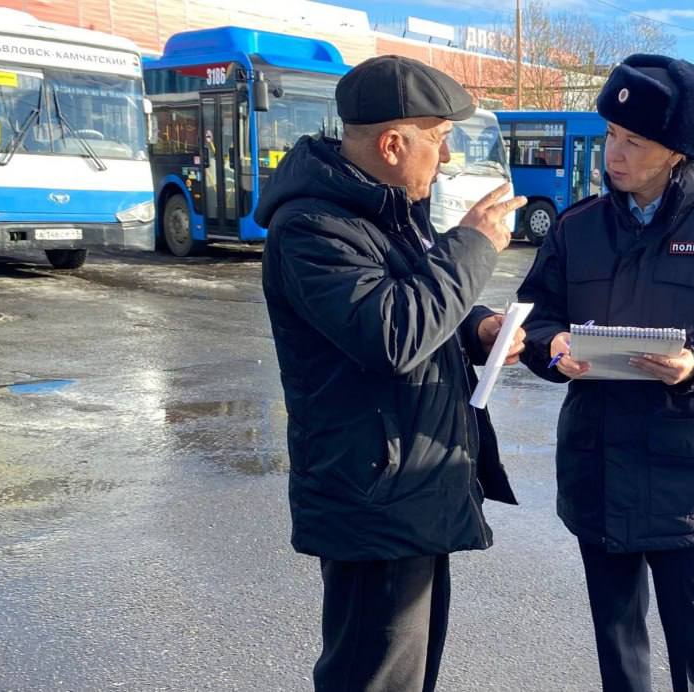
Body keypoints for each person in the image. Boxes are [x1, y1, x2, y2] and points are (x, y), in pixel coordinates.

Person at [516, 54, 694, 692]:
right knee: (618, 646)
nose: (614, 154)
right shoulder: (575, 227)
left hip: (688, 474)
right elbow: (533, 318)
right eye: (611, 136)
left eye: (634, 142)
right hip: (598, 462)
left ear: (675, 153)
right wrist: (550, 347)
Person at [255, 55, 528, 692]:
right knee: (371, 679)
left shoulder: (388, 210)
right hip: (372, 494)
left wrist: (479, 328)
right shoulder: (312, 227)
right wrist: (474, 244)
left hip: (411, 486)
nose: (448, 156)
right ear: (391, 143)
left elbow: (421, 302)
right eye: (438, 139)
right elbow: (391, 334)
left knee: (409, 677)